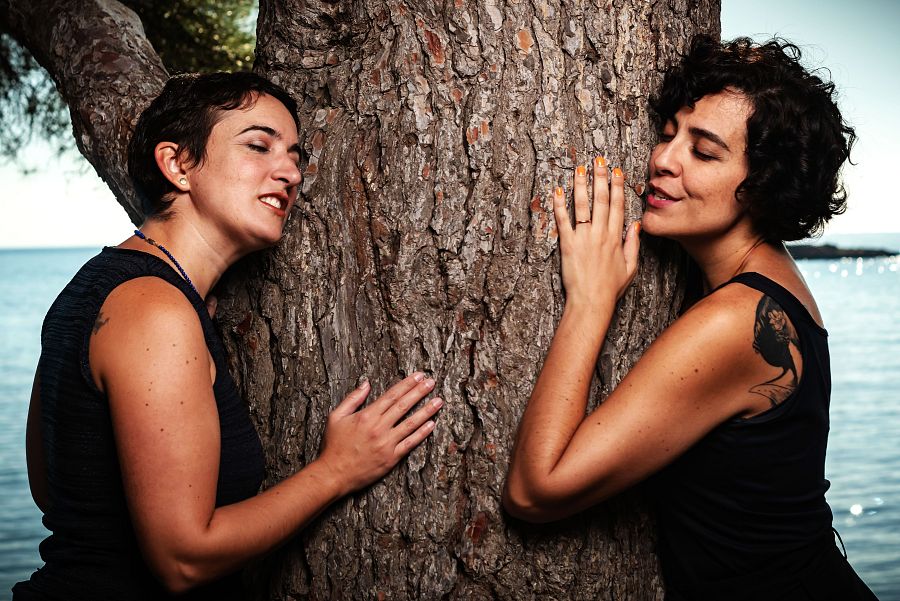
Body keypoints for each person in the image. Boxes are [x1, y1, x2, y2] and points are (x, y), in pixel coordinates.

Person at [14, 72, 443, 600]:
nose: (289, 172)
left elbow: (52, 489)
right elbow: (182, 560)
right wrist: (337, 471)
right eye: (258, 146)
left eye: (295, 156)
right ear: (178, 165)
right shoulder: (156, 313)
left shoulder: (100, 288)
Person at [503, 37, 878, 600]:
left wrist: (589, 301)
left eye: (703, 153)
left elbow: (536, 491)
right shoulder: (772, 280)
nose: (662, 159)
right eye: (667, 133)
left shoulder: (735, 322)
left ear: (763, 185)